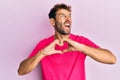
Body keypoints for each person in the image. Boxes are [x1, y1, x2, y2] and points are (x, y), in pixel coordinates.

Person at [18, 3, 116, 80]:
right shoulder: (43, 45)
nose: (68, 19)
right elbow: (21, 71)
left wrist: (81, 48)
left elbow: (112, 59)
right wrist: (42, 53)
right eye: (63, 16)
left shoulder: (80, 41)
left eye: (69, 16)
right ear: (52, 21)